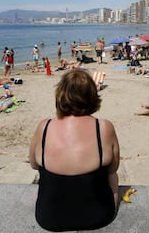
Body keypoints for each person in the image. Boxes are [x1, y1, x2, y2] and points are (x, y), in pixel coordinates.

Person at [29, 70, 120, 231]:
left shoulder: (44, 127)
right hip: (99, 216)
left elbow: (34, 165)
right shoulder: (104, 128)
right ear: (92, 95)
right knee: (111, 175)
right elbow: (113, 169)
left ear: (61, 94)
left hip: (49, 218)